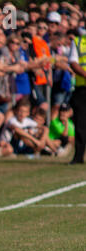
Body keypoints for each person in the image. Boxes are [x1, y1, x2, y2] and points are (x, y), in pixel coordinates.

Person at [67, 33, 86, 164]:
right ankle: (78, 156)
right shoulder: (78, 41)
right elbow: (73, 63)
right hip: (82, 88)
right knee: (80, 123)